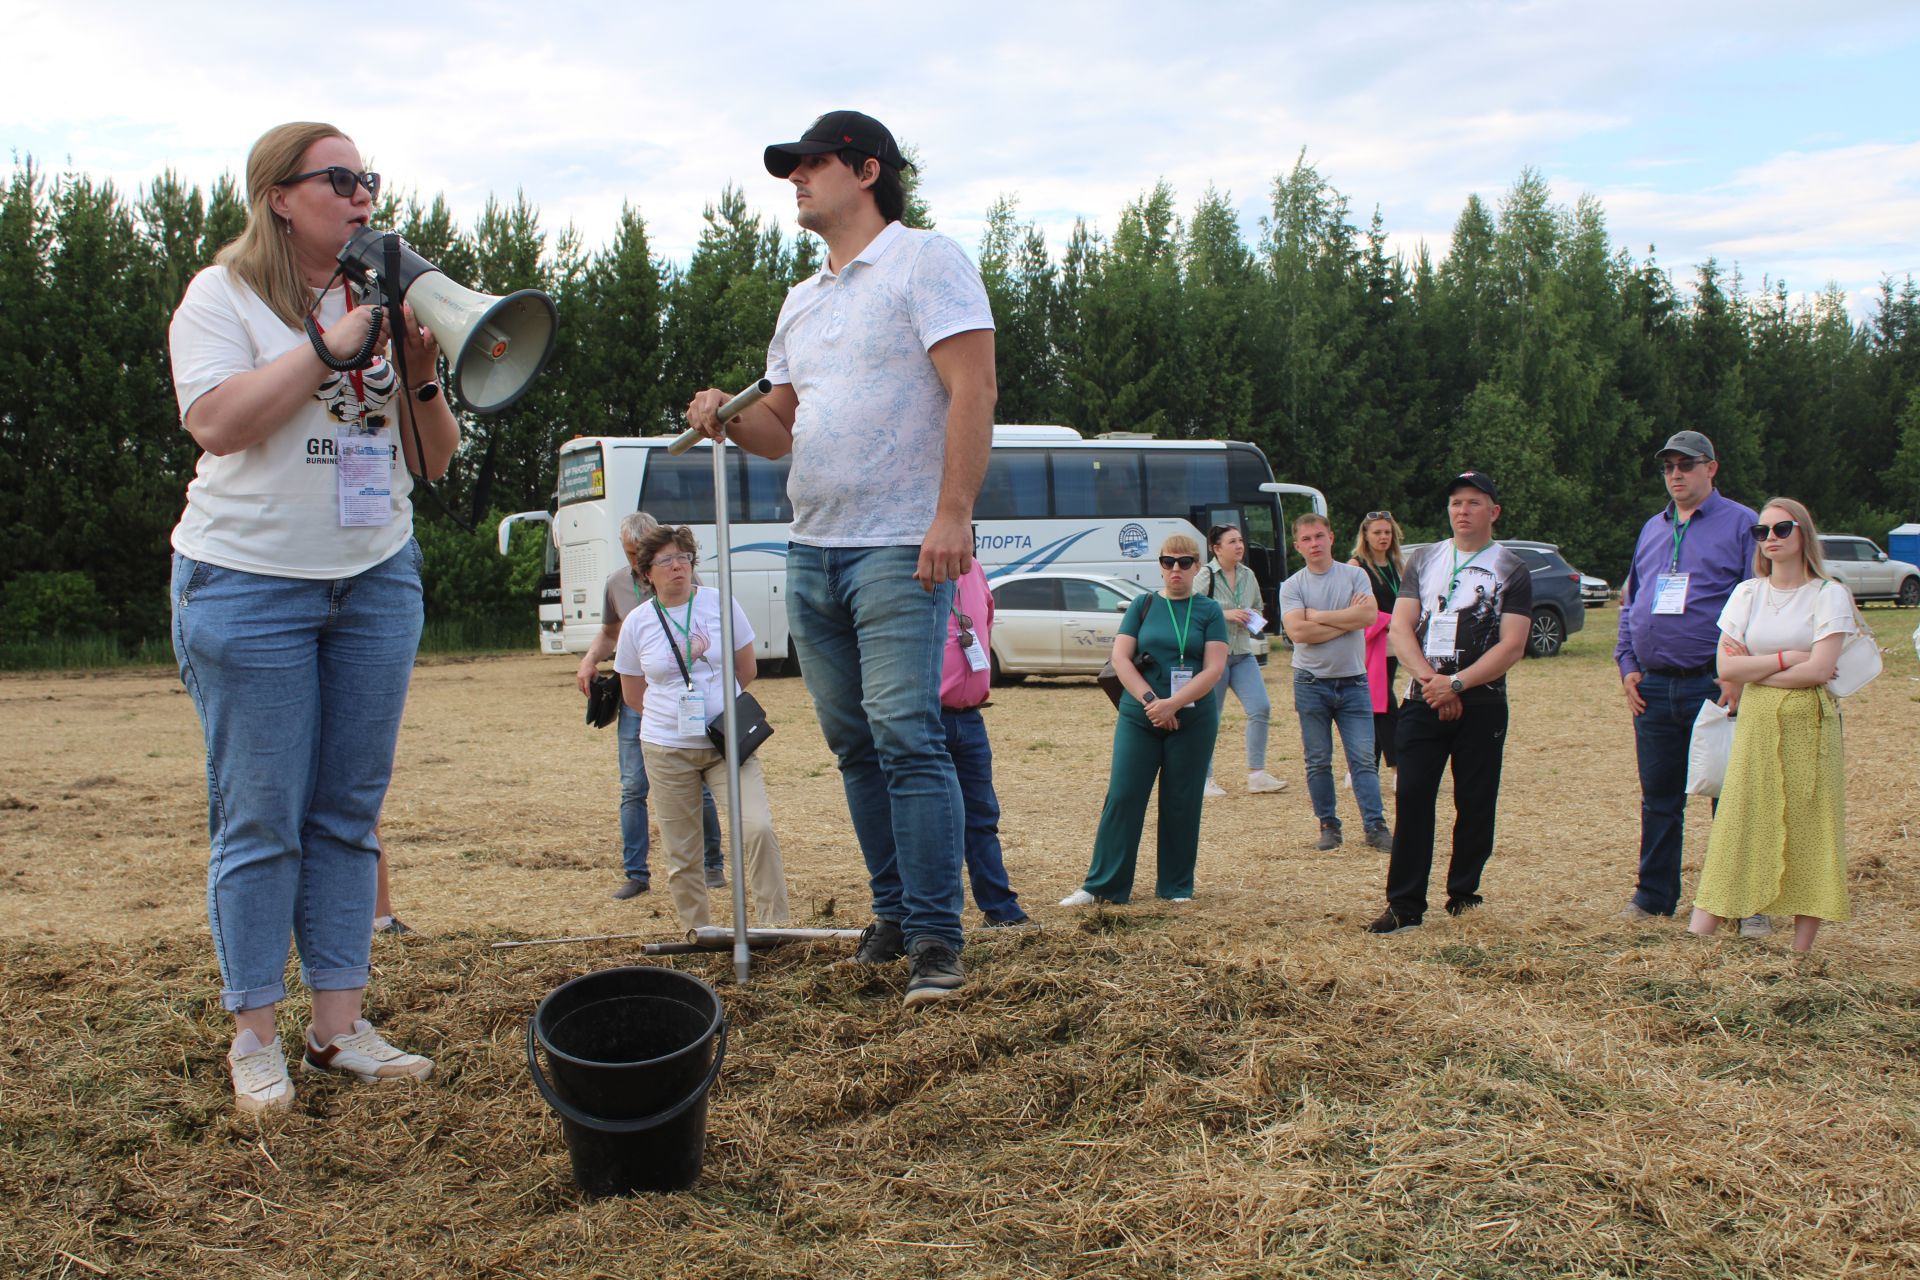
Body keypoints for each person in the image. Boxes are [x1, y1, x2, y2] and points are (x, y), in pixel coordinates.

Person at [168, 122, 453, 1113]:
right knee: (261, 814)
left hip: (373, 578)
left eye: (369, 178)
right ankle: (255, 1030)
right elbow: (217, 420)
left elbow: (432, 459)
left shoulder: (376, 301)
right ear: (280, 197)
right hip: (249, 582)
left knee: (347, 813)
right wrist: (326, 347)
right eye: (339, 179)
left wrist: (415, 362)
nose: (362, 194)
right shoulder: (225, 296)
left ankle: (337, 1028)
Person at [686, 110, 996, 1007]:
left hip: (902, 544)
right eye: (792, 167)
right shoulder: (803, 299)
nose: (796, 178)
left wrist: (952, 515)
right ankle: (896, 913)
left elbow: (973, 387)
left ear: (866, 171)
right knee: (857, 744)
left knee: (906, 735)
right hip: (813, 551)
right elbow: (778, 432)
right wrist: (725, 415)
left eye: (812, 163)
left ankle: (938, 938)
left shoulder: (925, 260)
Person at [1367, 471, 1531, 934]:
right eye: (1457, 503)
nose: (1463, 511)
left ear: (1493, 512)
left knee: (1475, 800)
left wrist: (1457, 685)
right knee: (1413, 795)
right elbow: (1401, 627)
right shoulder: (1424, 559)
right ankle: (1404, 906)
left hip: (1481, 701)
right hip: (1423, 697)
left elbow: (1512, 644)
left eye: (1474, 503)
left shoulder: (1511, 568)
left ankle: (1463, 892)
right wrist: (1432, 681)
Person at [1689, 499, 1853, 952]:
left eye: (1782, 528)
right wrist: (1788, 659)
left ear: (1804, 532)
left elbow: (1820, 671)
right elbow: (1724, 667)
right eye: (1762, 532)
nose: (1772, 538)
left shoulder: (1828, 594)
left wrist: (1756, 669)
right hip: (1757, 722)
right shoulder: (1747, 593)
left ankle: (1801, 952)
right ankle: (1700, 937)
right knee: (1738, 820)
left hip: (1809, 726)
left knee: (1810, 823)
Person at [1614, 431, 1761, 926]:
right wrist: (1627, 663)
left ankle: (1739, 903)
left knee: (1731, 796)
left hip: (1713, 684)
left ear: (1711, 468)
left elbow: (1755, 603)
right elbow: (1631, 600)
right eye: (1668, 466)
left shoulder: (1743, 524)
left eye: (1687, 464)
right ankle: (1653, 898)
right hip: (1653, 685)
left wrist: (1738, 676)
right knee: (1659, 799)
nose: (1676, 474)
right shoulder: (1653, 527)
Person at [614, 525, 791, 930]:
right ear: (647, 573)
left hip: (726, 741)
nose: (678, 567)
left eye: (684, 558)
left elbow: (746, 669)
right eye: (666, 561)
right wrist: (673, 719)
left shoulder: (719, 603)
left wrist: (714, 709)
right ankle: (699, 933)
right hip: (666, 749)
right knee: (683, 853)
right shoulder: (638, 623)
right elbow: (632, 694)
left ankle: (774, 927)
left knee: (758, 828)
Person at [1062, 535, 1229, 905]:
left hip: (1192, 717)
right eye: (1168, 561)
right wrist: (1153, 702)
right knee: (1123, 795)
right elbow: (1121, 659)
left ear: (1197, 567)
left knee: (1182, 800)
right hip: (1141, 715)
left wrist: (1174, 704)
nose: (1175, 569)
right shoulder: (1143, 604)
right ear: (1160, 564)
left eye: (1185, 562)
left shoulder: (1209, 610)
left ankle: (1175, 886)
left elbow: (1215, 668)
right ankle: (1102, 885)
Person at [575, 511, 725, 899]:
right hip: (635, 698)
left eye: (637, 554)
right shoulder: (616, 585)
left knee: (699, 784)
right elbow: (609, 633)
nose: (633, 564)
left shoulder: (686, 581)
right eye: (628, 555)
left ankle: (712, 864)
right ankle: (636, 875)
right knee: (632, 787)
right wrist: (590, 659)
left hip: (680, 699)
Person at [1280, 514, 1392, 852]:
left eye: (1319, 536)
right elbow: (1298, 632)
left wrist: (1321, 617)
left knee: (1362, 759)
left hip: (1354, 682)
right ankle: (1328, 825)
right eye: (1307, 539)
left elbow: (1369, 617)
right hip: (1311, 682)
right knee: (1318, 760)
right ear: (1297, 546)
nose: (1314, 544)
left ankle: (1376, 826)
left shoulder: (1355, 575)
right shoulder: (1293, 586)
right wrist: (1348, 620)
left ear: (1331, 536)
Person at [940, 560, 1030, 927]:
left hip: (970, 717)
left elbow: (984, 624)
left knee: (982, 818)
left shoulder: (973, 569)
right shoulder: (910, 566)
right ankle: (936, 919)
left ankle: (1000, 911)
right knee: (935, 822)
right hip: (927, 718)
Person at [1196, 524, 1287, 797]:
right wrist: (1226, 614)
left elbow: (1258, 605)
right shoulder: (1205, 575)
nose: (1239, 545)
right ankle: (1204, 778)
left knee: (1261, 707)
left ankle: (1257, 775)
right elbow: (1193, 608)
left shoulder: (1248, 574)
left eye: (1241, 540)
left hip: (1243, 652)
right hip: (1214, 657)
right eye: (1232, 541)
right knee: (1209, 717)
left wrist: (1253, 618)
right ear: (1216, 548)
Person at [1349, 510, 1406, 774]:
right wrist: (1386, 619)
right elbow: (1353, 607)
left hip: (1394, 642)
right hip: (1370, 642)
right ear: (1366, 536)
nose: (1383, 537)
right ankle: (1397, 767)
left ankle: (1363, 767)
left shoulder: (1397, 564)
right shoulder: (1356, 566)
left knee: (1376, 704)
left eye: (1387, 532)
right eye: (1377, 532)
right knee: (1383, 702)